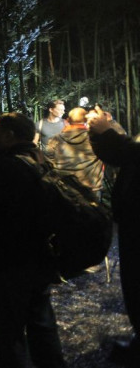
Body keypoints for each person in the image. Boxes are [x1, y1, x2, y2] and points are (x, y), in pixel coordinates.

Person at [0, 112, 67, 368]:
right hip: (40, 257)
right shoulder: (40, 160)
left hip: (8, 262)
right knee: (42, 325)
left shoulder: (3, 168)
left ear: (9, 135)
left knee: (8, 330)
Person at [88, 110, 140, 367]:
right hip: (132, 223)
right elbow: (121, 154)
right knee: (132, 284)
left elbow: (127, 153)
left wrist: (107, 132)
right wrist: (106, 133)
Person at [44, 107, 104, 200]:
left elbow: (48, 160)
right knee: (93, 213)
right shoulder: (96, 138)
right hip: (91, 187)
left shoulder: (55, 139)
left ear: (67, 120)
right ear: (86, 119)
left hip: (65, 188)